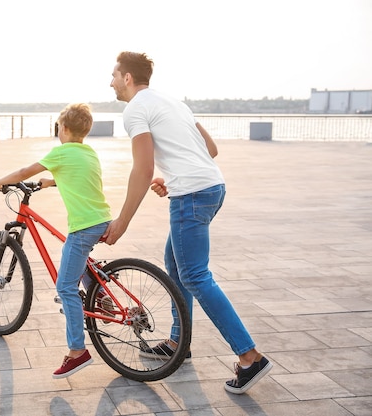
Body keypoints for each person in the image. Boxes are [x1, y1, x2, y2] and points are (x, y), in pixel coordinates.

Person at [102, 51, 272, 394]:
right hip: (212, 187)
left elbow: (142, 168)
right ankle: (179, 343)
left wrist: (122, 221)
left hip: (192, 196)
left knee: (195, 275)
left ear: (128, 78)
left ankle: (250, 357)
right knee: (176, 267)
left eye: (114, 75)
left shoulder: (135, 108)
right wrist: (175, 176)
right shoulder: (172, 101)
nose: (111, 82)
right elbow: (209, 148)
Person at [0, 103, 112, 379]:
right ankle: (99, 292)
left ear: (63, 129)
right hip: (102, 220)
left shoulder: (61, 152)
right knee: (78, 258)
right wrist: (51, 182)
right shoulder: (88, 152)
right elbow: (80, 177)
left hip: (84, 227)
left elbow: (22, 173)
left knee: (65, 286)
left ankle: (77, 352)